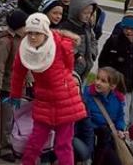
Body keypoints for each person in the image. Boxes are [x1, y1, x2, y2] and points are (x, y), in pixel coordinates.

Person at [9, 13, 86, 165]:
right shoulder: (25, 49)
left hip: (65, 101)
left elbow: (69, 67)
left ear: (45, 33)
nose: (32, 37)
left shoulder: (61, 45)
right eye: (30, 32)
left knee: (63, 144)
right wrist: (15, 95)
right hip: (43, 101)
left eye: (37, 33)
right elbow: (18, 73)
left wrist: (64, 82)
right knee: (35, 142)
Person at [98, 7, 133, 154]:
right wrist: (109, 80)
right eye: (126, 28)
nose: (129, 32)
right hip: (119, 87)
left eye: (132, 29)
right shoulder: (114, 41)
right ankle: (118, 139)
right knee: (122, 114)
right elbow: (103, 61)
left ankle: (124, 134)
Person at [0, 10, 28, 161]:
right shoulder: (6, 42)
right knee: (6, 120)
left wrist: (29, 79)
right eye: (24, 25)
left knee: (16, 119)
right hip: (6, 87)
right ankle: (5, 147)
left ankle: (15, 144)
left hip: (19, 86)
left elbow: (26, 63)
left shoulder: (23, 40)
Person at [80, 67, 127, 165]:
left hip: (107, 137)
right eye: (97, 78)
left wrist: (120, 129)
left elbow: (120, 117)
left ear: (112, 86)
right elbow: (83, 117)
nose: (98, 82)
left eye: (103, 81)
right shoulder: (88, 94)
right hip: (89, 134)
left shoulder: (117, 99)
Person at [57, 0, 100, 79]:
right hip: (71, 68)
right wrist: (77, 56)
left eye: (90, 13)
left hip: (85, 67)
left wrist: (93, 53)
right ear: (76, 10)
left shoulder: (87, 26)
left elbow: (93, 40)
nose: (88, 16)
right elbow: (64, 45)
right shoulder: (67, 27)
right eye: (85, 13)